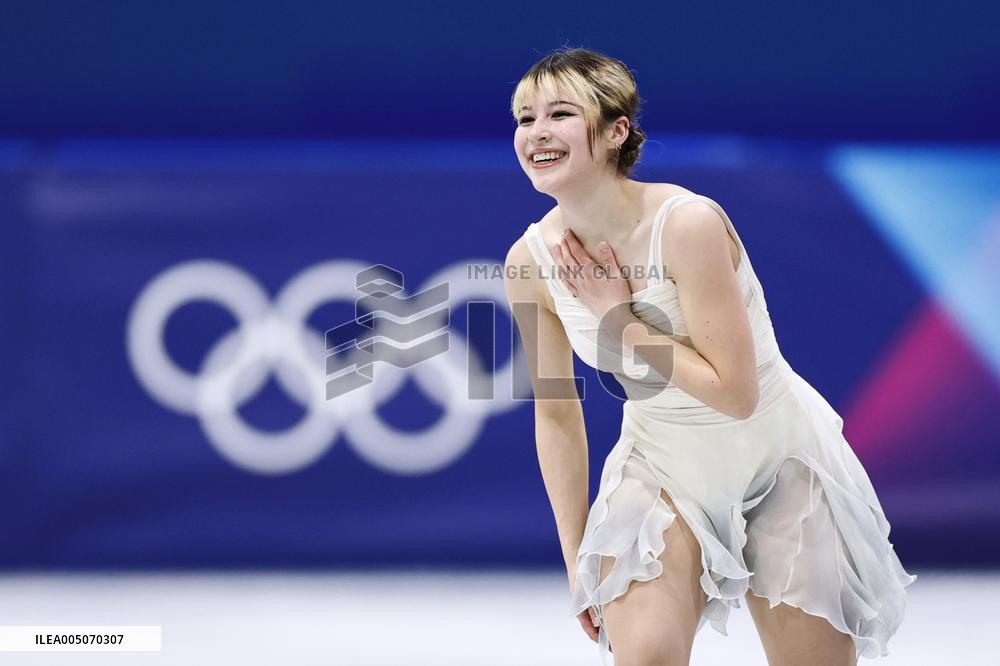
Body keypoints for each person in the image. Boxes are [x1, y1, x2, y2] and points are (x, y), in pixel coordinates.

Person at [502, 47, 916, 666]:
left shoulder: (687, 224)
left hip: (781, 459)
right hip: (661, 462)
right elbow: (556, 413)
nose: (536, 132)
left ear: (616, 131)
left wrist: (620, 321)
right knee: (646, 655)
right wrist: (574, 556)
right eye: (524, 118)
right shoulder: (529, 262)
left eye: (560, 114)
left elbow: (735, 393)